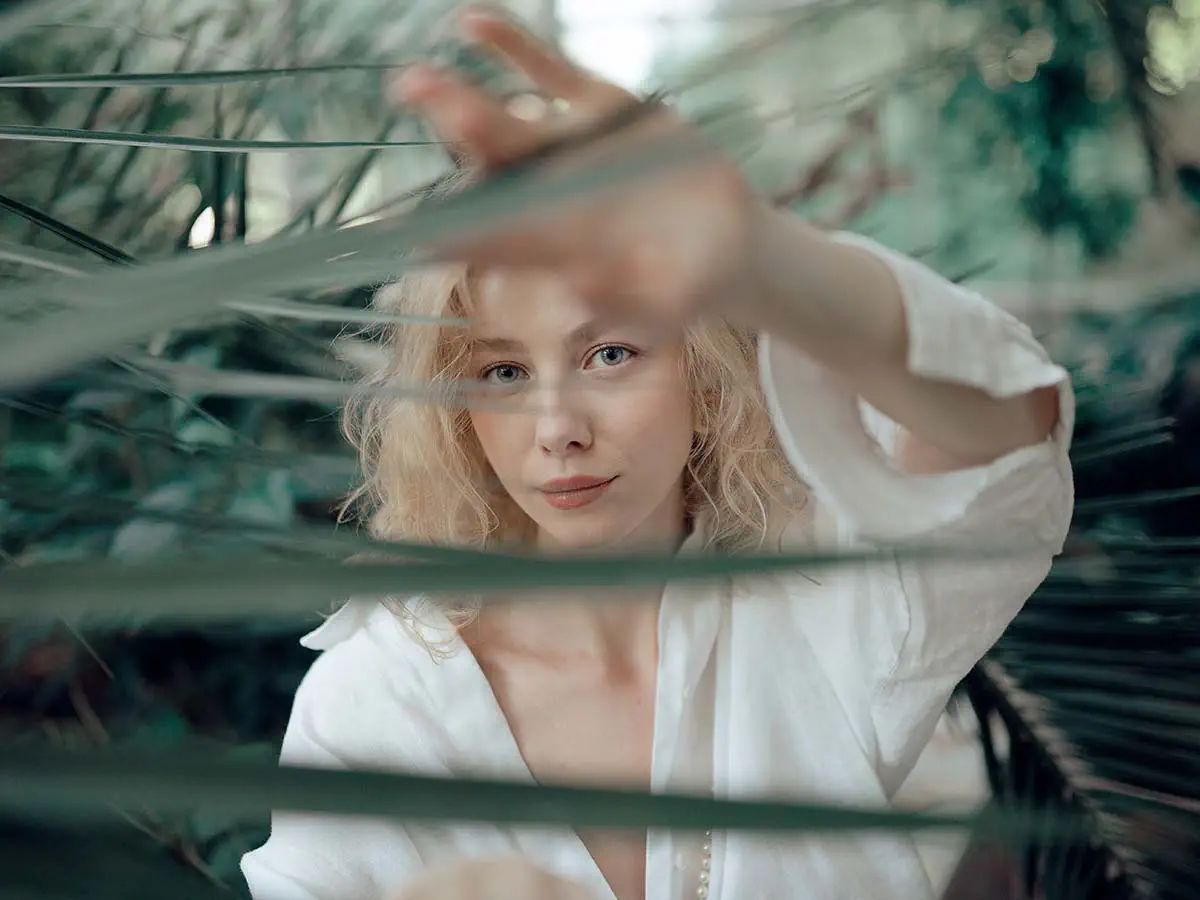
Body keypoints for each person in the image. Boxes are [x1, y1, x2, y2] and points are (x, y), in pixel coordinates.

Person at [240, 6, 1074, 900]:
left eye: (610, 354)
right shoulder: (376, 705)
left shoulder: (816, 603)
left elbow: (1006, 438)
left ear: (703, 372)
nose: (558, 428)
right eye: (503, 372)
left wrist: (762, 258)